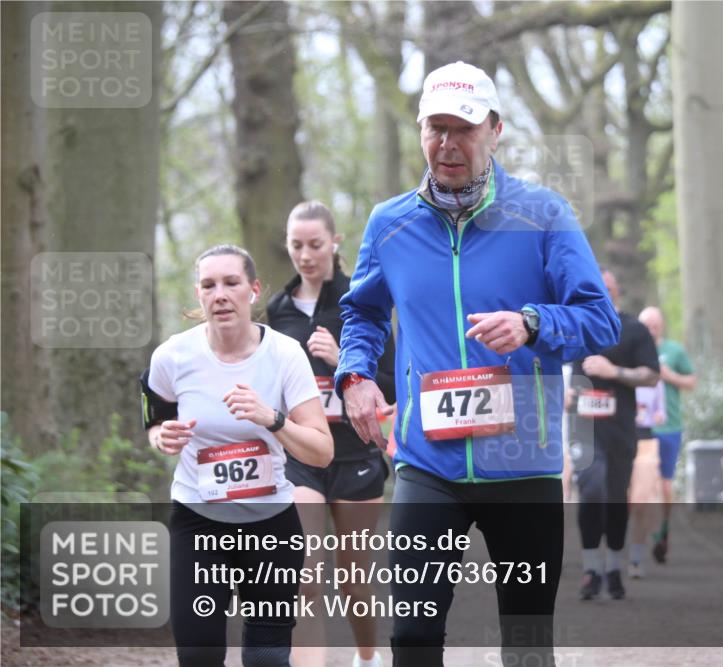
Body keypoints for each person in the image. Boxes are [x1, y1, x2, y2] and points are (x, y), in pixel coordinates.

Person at [333, 61, 620, 666]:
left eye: (463, 128)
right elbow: (360, 314)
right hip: (426, 463)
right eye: (435, 128)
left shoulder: (543, 215)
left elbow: (600, 319)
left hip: (523, 467)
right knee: (410, 639)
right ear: (419, 132)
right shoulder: (391, 224)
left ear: (495, 130)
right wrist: (355, 375)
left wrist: (534, 323)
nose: (447, 143)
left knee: (525, 644)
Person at [141, 244, 334, 667]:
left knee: (267, 659)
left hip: (271, 526)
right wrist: (162, 437)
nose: (220, 294)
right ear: (198, 294)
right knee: (198, 654)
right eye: (209, 285)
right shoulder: (172, 356)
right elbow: (155, 421)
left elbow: (322, 452)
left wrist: (272, 419)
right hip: (197, 522)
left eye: (231, 283)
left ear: (254, 290)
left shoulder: (285, 354)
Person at [267, 201, 396, 667]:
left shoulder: (361, 302)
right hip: (303, 457)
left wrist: (342, 355)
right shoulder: (276, 311)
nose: (305, 255)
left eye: (315, 245)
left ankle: (367, 657)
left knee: (354, 579)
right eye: (296, 245)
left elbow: (391, 386)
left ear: (335, 243)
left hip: (356, 454)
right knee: (304, 575)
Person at [569, 269, 659, 601]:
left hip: (620, 428)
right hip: (583, 427)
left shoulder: (633, 330)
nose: (601, 293)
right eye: (595, 287)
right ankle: (591, 569)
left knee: (616, 495)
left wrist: (613, 372)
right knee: (591, 487)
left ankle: (613, 567)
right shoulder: (575, 326)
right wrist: (561, 395)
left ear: (616, 292)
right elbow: (549, 364)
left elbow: (651, 376)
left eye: (607, 288)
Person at [638, 306, 697, 564]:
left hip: (669, 425)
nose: (651, 330)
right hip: (639, 428)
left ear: (661, 326)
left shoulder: (674, 351)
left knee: (664, 483)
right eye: (646, 326)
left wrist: (668, 375)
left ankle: (663, 529)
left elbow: (692, 382)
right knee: (642, 484)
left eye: (655, 325)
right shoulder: (634, 350)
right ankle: (645, 533)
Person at [626, 378, 667, 578]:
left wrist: (658, 415)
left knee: (641, 504)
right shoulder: (614, 372)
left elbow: (661, 412)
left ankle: (635, 559)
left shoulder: (654, 380)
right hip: (617, 439)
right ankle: (610, 558)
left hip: (646, 441)